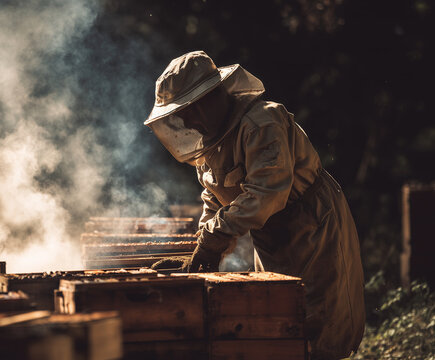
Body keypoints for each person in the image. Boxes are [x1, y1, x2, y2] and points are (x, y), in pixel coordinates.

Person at [146, 51, 365, 359]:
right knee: (280, 320)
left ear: (211, 97)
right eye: (179, 113)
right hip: (271, 235)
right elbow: (214, 197)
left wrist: (214, 241)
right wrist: (202, 248)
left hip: (311, 225)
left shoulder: (262, 121)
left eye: (188, 110)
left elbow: (267, 193)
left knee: (320, 325)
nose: (185, 121)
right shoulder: (211, 142)